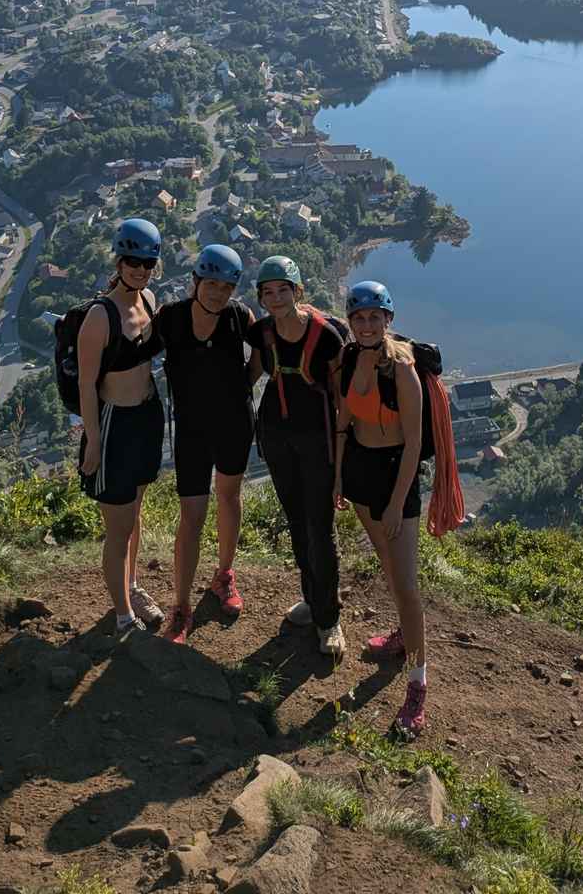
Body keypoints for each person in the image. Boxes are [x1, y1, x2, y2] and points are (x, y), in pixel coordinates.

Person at [334, 281, 428, 737]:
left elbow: (413, 443)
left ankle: (417, 683)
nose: (367, 324)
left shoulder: (402, 370)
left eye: (375, 317)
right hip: (361, 472)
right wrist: (338, 477)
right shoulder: (349, 358)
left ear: (388, 320)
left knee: (406, 585)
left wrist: (395, 504)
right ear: (350, 322)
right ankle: (403, 638)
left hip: (395, 477)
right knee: (389, 569)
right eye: (359, 317)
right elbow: (343, 423)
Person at [246, 256, 349, 658]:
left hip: (317, 439)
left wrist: (343, 453)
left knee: (319, 528)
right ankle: (312, 599)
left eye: (283, 290)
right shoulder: (262, 333)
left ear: (298, 291)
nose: (275, 298)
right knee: (296, 521)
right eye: (268, 292)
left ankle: (329, 619)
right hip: (276, 435)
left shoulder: (326, 337)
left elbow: (340, 397)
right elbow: (252, 375)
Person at [153, 244, 255, 644]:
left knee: (229, 497)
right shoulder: (171, 318)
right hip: (193, 431)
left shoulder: (238, 316)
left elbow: (263, 352)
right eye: (211, 284)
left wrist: (244, 387)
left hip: (234, 425)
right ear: (195, 281)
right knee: (191, 517)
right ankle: (181, 607)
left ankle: (223, 576)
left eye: (226, 287)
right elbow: (136, 349)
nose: (218, 293)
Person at [77, 218, 166, 634]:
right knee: (119, 528)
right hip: (114, 425)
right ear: (119, 262)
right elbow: (86, 384)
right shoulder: (100, 316)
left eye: (148, 263)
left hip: (146, 418)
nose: (141, 270)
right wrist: (94, 441)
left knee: (135, 513)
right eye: (133, 261)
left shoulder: (149, 299)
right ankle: (123, 616)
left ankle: (131, 587)